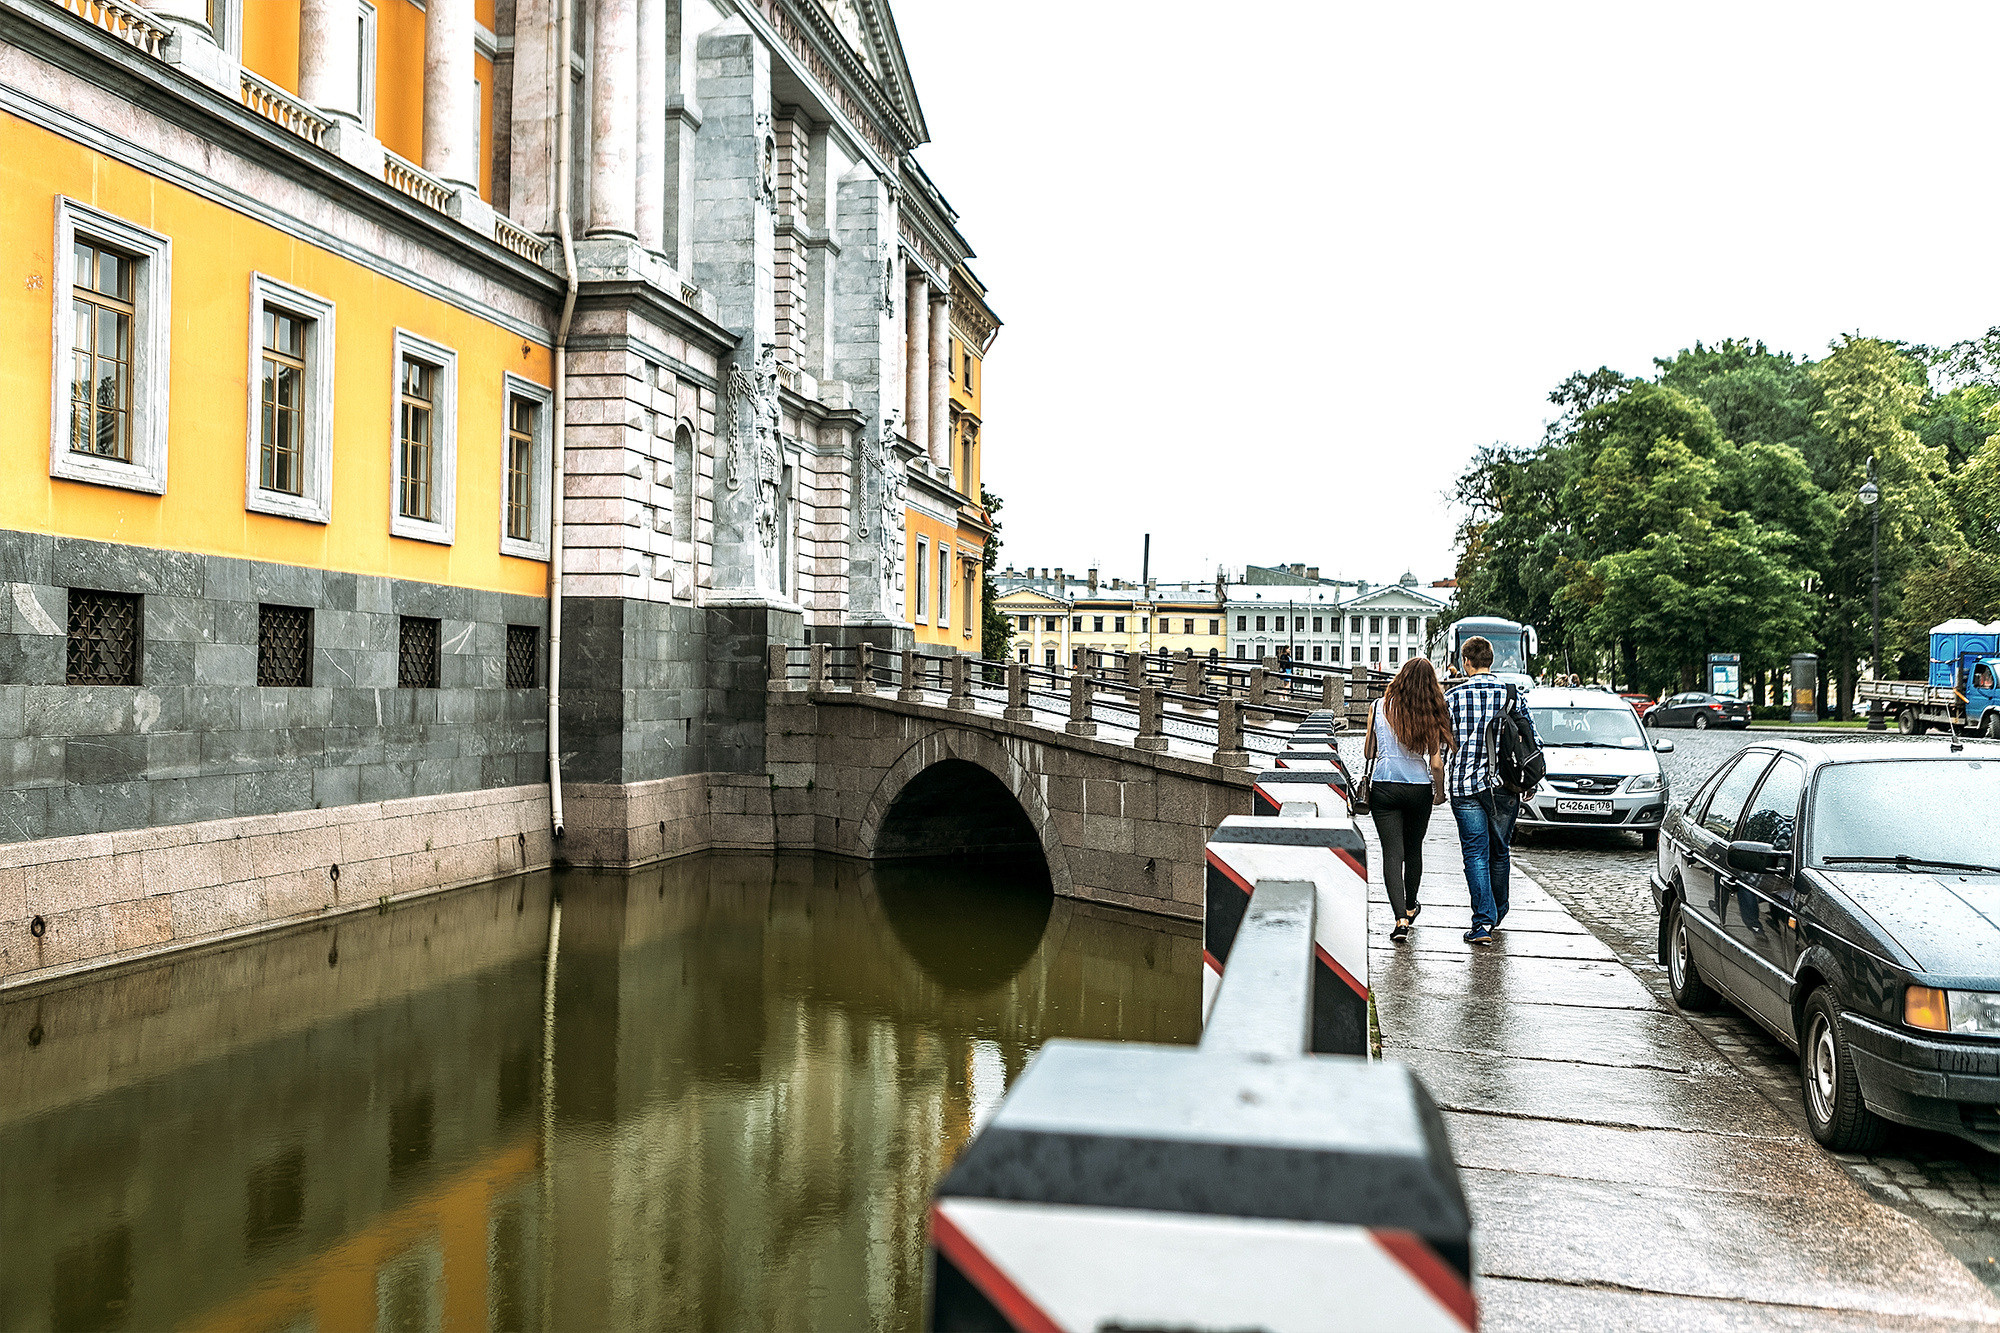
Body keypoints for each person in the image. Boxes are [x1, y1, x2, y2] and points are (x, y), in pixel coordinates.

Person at [1447, 635, 1539, 946]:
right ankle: (1497, 913)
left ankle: (1483, 922)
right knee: (1500, 851)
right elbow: (1531, 739)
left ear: (1466, 662)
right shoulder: (1512, 695)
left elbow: (1444, 745)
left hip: (1465, 784)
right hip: (1505, 786)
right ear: (1492, 661)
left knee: (1475, 853)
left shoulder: (1454, 698)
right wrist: (1531, 780)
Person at [1364, 657, 1453, 944]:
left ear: (1400, 677)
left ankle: (1400, 919)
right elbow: (1436, 764)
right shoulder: (1430, 713)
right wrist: (1439, 793)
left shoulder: (1378, 707)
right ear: (1430, 685)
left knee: (1392, 853)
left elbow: (1368, 753)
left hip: (1385, 786)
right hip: (1418, 788)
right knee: (1413, 851)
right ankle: (1412, 905)